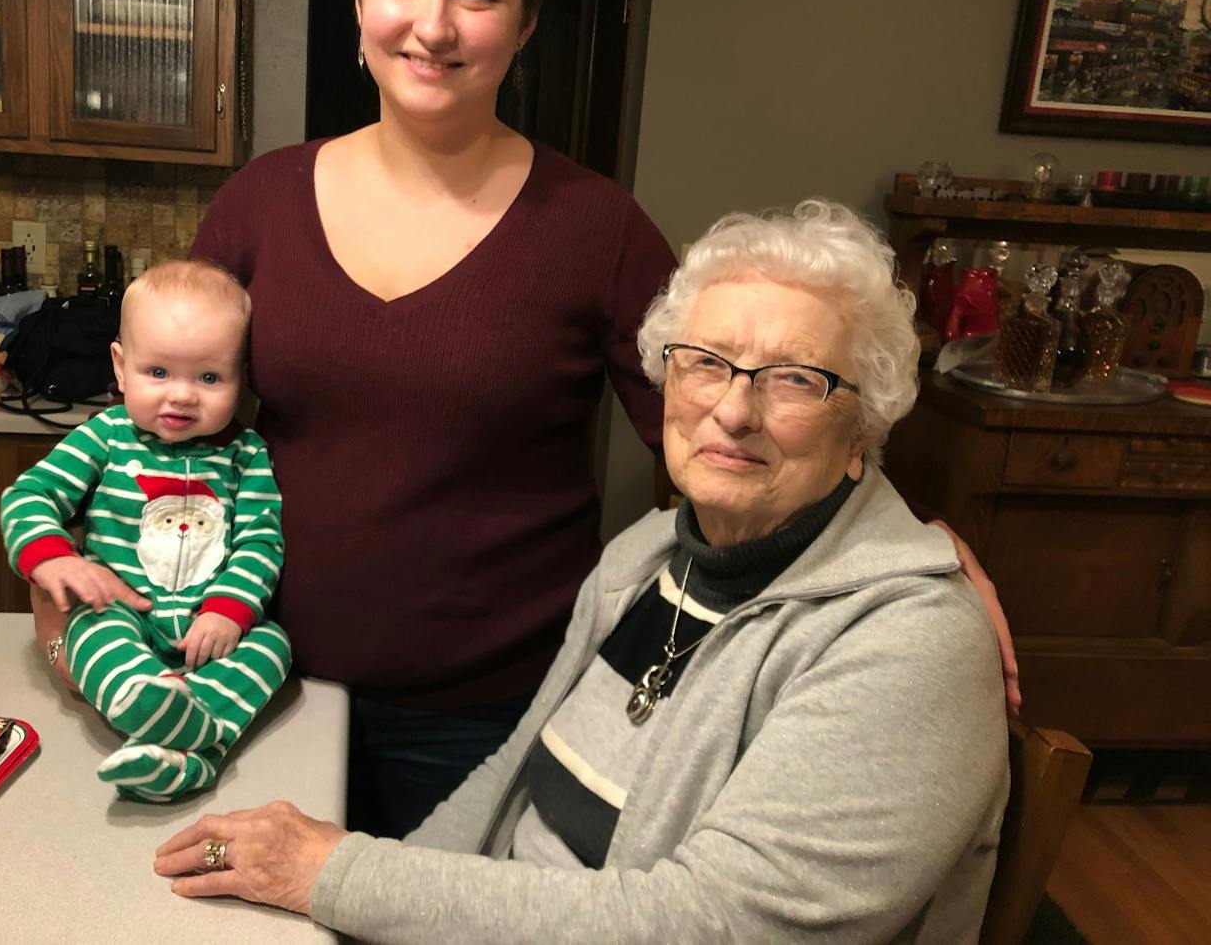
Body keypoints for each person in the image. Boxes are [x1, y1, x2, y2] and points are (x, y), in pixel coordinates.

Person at [28, 0, 1019, 835]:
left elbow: (732, 435)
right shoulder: (258, 204)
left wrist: (900, 542)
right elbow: (159, 425)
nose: (434, 24)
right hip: (248, 673)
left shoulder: (597, 230)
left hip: (483, 713)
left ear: (527, 20)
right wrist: (61, 562)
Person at [153, 201, 1011, 943]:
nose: (734, 409)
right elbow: (509, 784)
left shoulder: (912, 643)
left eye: (795, 379)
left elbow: (719, 924)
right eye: (705, 361)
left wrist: (337, 874)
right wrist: (361, 899)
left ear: (864, 425)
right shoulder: (651, 555)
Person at [1, 260, 290, 801]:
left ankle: (185, 747)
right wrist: (54, 558)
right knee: (91, 633)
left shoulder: (245, 455)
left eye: (209, 377)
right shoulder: (105, 435)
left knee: (273, 643)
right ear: (120, 364)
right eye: (158, 373)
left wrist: (230, 610)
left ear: (240, 377)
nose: (181, 395)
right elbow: (29, 495)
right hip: (121, 613)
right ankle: (166, 712)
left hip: (211, 631)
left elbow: (260, 542)